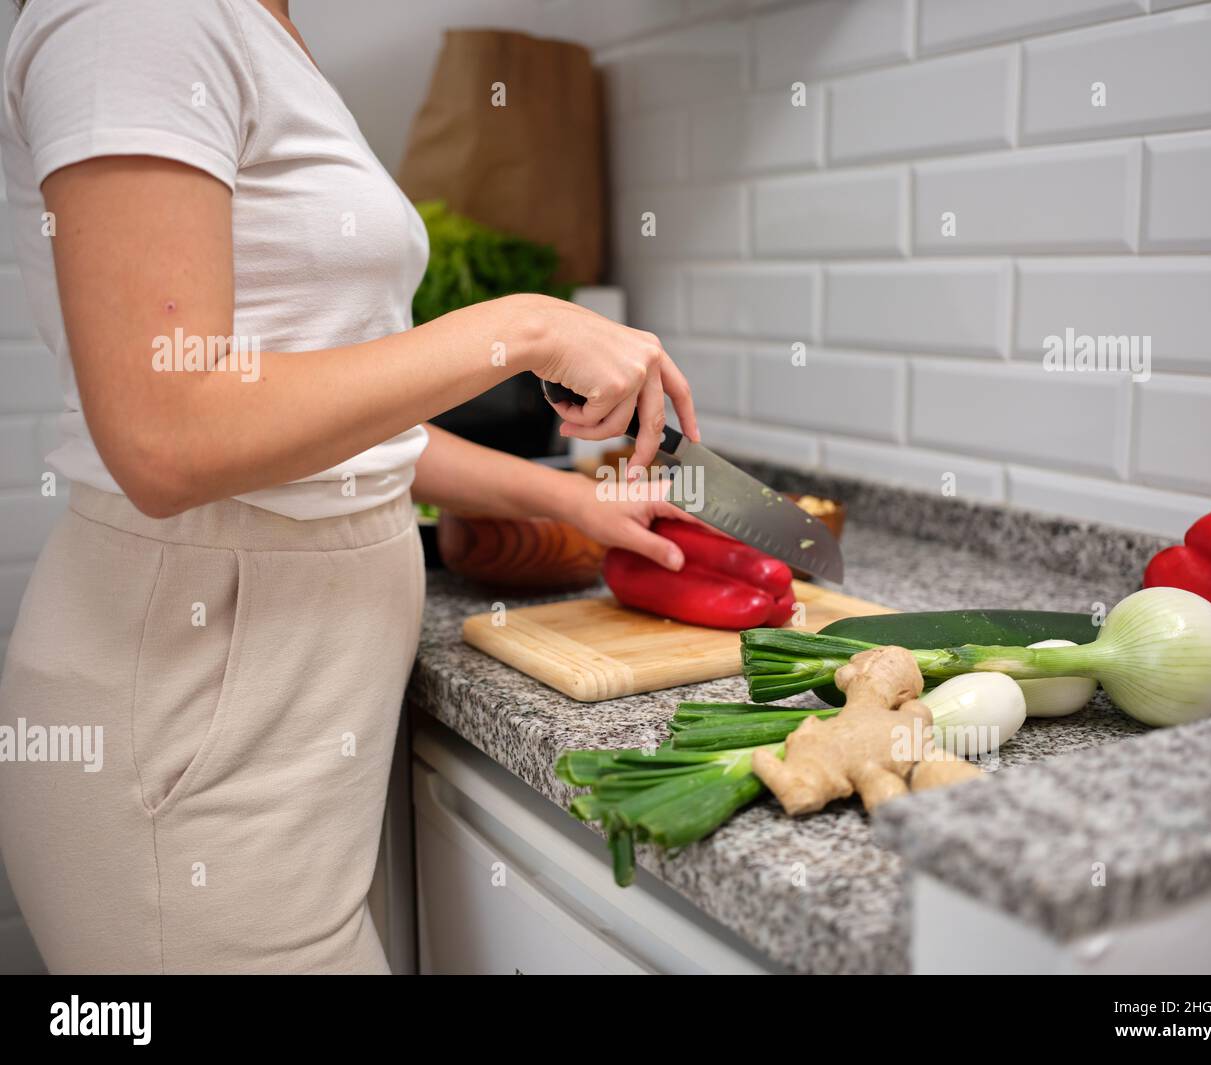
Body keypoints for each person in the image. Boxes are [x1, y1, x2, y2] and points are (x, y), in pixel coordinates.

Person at [0, 0, 698, 973]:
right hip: (193, 722)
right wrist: (526, 329)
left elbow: (325, 432)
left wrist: (568, 503)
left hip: (276, 718)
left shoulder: (256, 22)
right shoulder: (140, 16)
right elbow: (168, 431)